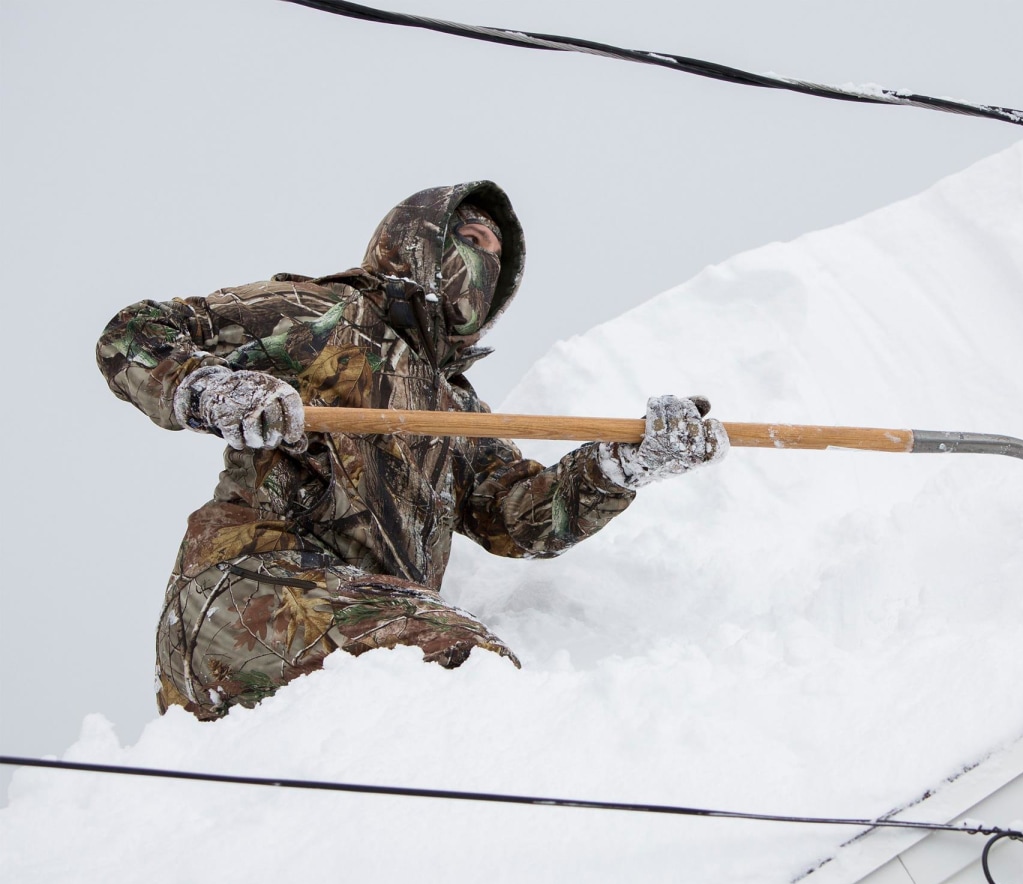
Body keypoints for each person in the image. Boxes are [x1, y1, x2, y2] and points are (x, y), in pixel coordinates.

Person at [97, 181, 727, 720]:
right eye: (472, 240)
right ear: (420, 239)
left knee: (431, 712)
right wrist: (209, 388)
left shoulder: (451, 408)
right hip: (252, 591)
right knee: (466, 675)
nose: (484, 265)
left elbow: (521, 517)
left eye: (497, 260)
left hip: (358, 617)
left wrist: (626, 464)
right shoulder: (323, 314)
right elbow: (136, 332)